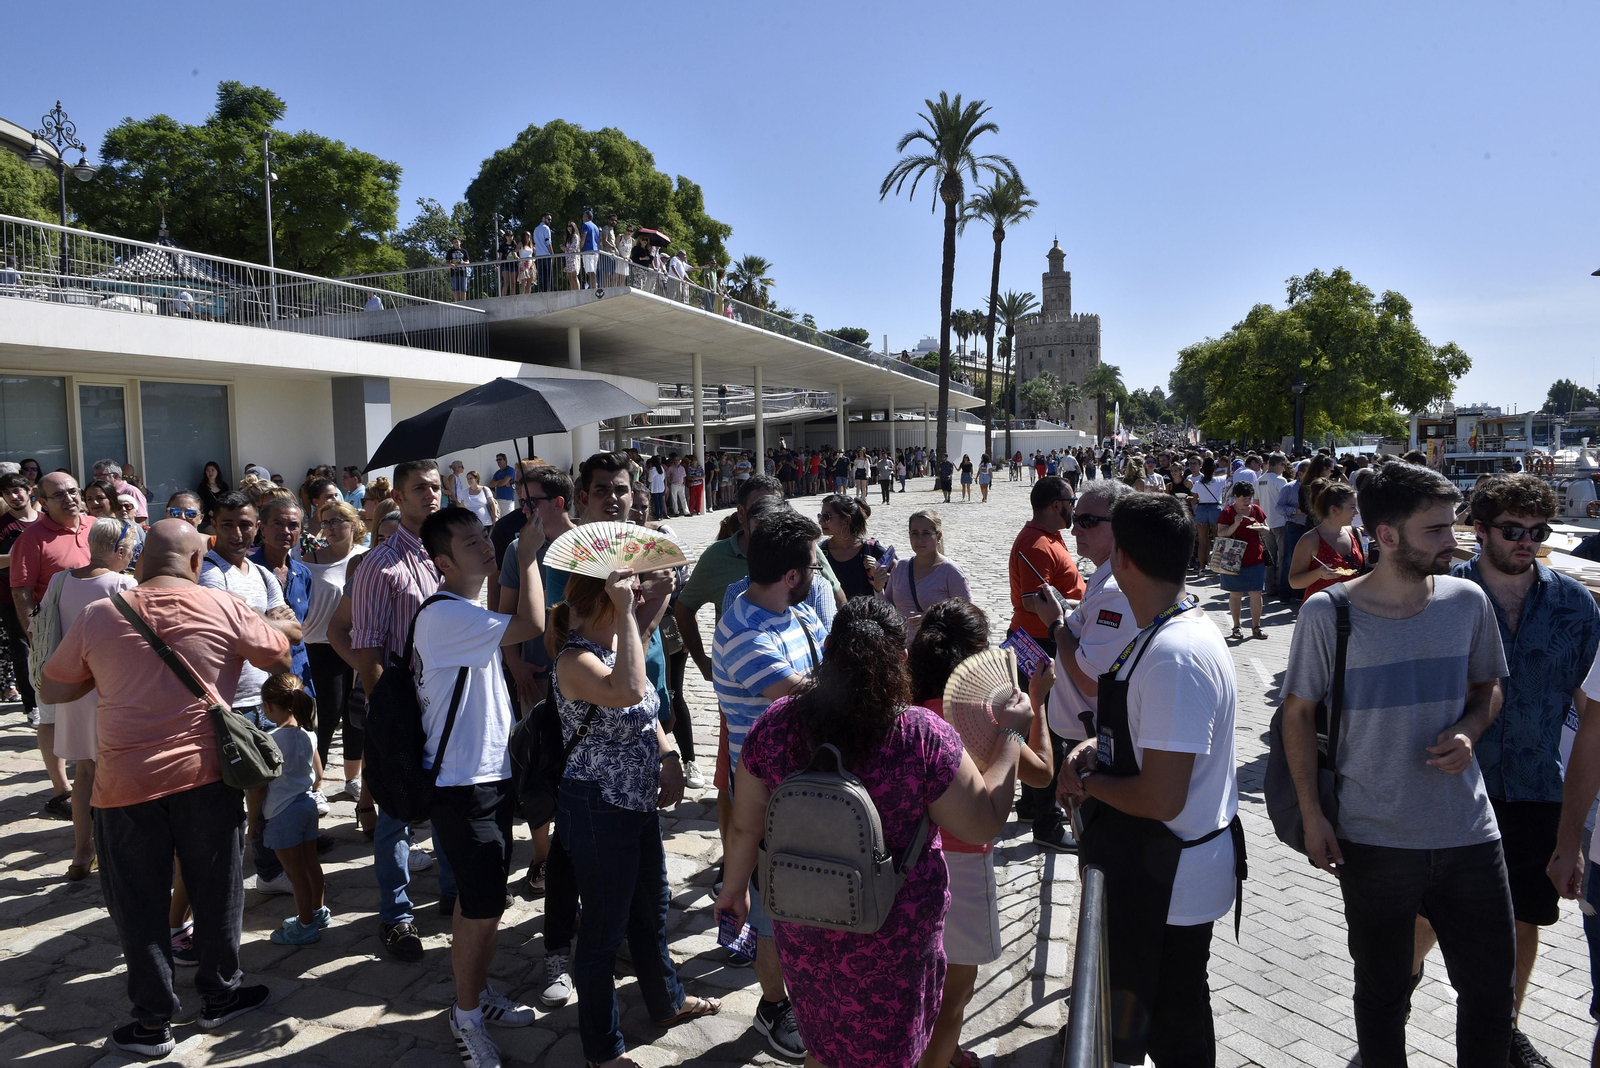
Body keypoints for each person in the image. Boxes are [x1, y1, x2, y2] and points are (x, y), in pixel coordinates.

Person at [715, 596, 1035, 1068]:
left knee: (823, 1048)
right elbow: (984, 821)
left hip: (806, 927)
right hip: (895, 935)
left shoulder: (775, 725)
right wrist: (1012, 736)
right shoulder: (919, 736)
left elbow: (745, 826)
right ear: (901, 659)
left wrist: (735, 889)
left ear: (828, 650)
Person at [1282, 462, 1514, 1067]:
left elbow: (1488, 686)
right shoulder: (1327, 615)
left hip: (1469, 834)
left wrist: (1469, 729)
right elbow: (1298, 716)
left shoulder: (1468, 602)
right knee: (1383, 996)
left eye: (1452, 527)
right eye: (1435, 531)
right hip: (1375, 839)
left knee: (1489, 995)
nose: (1454, 543)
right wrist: (1312, 815)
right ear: (1386, 536)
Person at [40, 520, 289, 1057]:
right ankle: (220, 998)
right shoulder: (221, 607)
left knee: (139, 905)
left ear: (138, 562)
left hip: (124, 784)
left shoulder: (100, 614)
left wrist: (104, 674)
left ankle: (152, 1024)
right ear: (198, 563)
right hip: (206, 777)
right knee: (217, 892)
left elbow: (53, 685)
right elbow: (279, 656)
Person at [1054, 492, 1243, 1066]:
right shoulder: (1164, 627)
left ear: (1124, 557)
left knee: (1176, 1021)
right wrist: (1094, 748)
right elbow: (1151, 734)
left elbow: (1162, 795)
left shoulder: (1173, 656)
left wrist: (1089, 784)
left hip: (1172, 878)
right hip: (1162, 868)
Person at [1437, 475, 1598, 1068]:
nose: (1527, 541)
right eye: (1512, 530)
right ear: (1478, 530)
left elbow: (1591, 714)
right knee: (1433, 914)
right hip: (1454, 785)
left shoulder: (1574, 605)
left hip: (1537, 786)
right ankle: (1391, 1001)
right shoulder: (1443, 596)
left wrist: (1572, 836)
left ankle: (1504, 1029)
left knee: (1522, 915)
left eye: (1538, 531)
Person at [549, 556, 718, 1066]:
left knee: (650, 912)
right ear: (605, 601)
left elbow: (651, 710)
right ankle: (604, 1051)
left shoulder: (614, 643)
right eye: (628, 594)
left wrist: (668, 755)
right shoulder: (575, 659)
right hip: (598, 808)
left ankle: (666, 1002)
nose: (638, 598)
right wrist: (629, 610)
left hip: (635, 802)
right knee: (602, 935)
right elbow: (628, 692)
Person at [414, 505, 545, 1065]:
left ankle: (477, 993)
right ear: (443, 562)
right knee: (485, 903)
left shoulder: (468, 609)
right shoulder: (446, 615)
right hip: (461, 784)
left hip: (488, 775)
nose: (486, 547)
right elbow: (534, 624)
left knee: (481, 898)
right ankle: (466, 1016)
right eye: (471, 543)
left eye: (486, 538)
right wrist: (529, 555)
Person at [913, 599, 1055, 1068]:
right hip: (965, 863)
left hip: (908, 858)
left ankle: (941, 1050)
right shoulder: (986, 716)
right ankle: (940, 1054)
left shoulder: (903, 702)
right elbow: (1042, 774)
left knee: (919, 979)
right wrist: (1038, 702)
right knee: (954, 994)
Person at [710, 509, 830, 1060]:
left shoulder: (796, 612)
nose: (819, 571)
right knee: (770, 915)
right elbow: (809, 697)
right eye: (812, 563)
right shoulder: (743, 632)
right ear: (790, 574)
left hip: (806, 791)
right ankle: (773, 1007)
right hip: (767, 800)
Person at [351, 460, 449, 961]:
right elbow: (366, 648)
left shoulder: (450, 551)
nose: (431, 495)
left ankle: (453, 895)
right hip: (404, 704)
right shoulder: (380, 564)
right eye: (420, 488)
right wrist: (386, 714)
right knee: (395, 811)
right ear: (400, 496)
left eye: (436, 486)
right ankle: (397, 914)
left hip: (453, 702)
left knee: (453, 800)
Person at [199, 493, 308, 893]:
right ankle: (221, 882)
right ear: (214, 524)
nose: (238, 533)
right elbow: (229, 625)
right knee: (231, 801)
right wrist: (265, 622)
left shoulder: (261, 575)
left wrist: (252, 620)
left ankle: (267, 872)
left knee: (270, 794)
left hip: (268, 701)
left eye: (245, 524)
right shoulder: (211, 572)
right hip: (230, 704)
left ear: (256, 526)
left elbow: (296, 632)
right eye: (228, 524)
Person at [50, 517, 138, 879]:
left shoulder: (60, 579)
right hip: (110, 687)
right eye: (132, 550)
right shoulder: (122, 583)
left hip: (73, 684)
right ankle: (120, 850)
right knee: (118, 770)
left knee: (85, 771)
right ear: (119, 551)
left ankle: (81, 851)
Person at [1007, 475, 1087, 851]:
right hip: (1039, 644)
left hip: (1041, 641)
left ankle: (1030, 805)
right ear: (1057, 505)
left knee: (1037, 726)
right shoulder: (1037, 543)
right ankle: (1047, 824)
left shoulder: (1049, 538)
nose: (1075, 507)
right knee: (1047, 731)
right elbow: (1030, 602)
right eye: (1072, 501)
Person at [10, 471, 92, 812]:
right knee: (51, 715)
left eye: (73, 491)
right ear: (41, 502)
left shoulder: (95, 526)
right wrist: (36, 635)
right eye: (59, 495)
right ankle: (62, 789)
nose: (69, 498)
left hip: (101, 641)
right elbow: (21, 592)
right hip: (56, 641)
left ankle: (94, 777)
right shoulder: (32, 539)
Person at [251, 673, 328, 946]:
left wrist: (252, 821)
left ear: (270, 707)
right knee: (310, 865)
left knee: (295, 874)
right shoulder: (309, 734)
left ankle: (305, 925)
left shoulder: (269, 740)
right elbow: (319, 774)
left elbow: (259, 788)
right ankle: (318, 912)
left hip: (282, 814)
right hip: (307, 806)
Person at [298, 500, 364, 799]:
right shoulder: (307, 560)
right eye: (325, 522)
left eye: (338, 521)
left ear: (354, 523)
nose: (331, 528)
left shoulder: (365, 557)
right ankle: (317, 783)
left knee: (357, 714)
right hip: (320, 646)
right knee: (326, 716)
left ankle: (353, 778)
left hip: (360, 643)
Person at [872, 507, 970, 644]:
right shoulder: (900, 567)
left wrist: (933, 618)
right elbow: (888, 611)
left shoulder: (950, 572)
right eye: (914, 533)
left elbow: (967, 615)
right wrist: (878, 588)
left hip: (938, 650)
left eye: (926, 533)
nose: (920, 539)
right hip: (903, 650)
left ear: (938, 536)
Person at [0, 471, 41, 721]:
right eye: (7, 493)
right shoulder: (3, 526)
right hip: (10, 597)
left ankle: (53, 699)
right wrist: (20, 554)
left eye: (18, 490)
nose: (14, 496)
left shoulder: (47, 521)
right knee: (23, 650)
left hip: (47, 593)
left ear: (29, 490)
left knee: (51, 646)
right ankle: (31, 705)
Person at [1288, 478, 1364, 602]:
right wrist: (1318, 574)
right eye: (1352, 507)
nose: (1356, 512)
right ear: (1334, 509)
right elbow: (1294, 582)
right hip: (1320, 611)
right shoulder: (1310, 540)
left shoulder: (1354, 533)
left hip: (1353, 609)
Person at [1216, 481, 1268, 640]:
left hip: (1255, 556)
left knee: (1256, 592)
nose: (1247, 501)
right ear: (1236, 496)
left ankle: (1256, 627)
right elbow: (1221, 533)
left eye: (1249, 498)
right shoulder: (1228, 512)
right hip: (1233, 558)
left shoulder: (1256, 510)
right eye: (1244, 498)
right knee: (1236, 593)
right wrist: (1236, 523)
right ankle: (1236, 626)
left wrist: (1260, 528)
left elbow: (1267, 529)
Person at [817, 494, 888, 602]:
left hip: (866, 616)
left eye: (826, 517)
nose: (821, 521)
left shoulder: (870, 549)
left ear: (846, 520)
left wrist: (878, 573)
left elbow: (901, 575)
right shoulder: (821, 552)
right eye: (820, 516)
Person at [1259, 453, 1290, 598]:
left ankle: (1269, 587)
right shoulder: (1280, 481)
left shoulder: (1259, 480)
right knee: (1282, 557)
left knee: (1269, 557)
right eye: (1284, 465)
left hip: (1266, 523)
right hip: (1281, 522)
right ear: (1278, 464)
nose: (1284, 469)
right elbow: (1286, 502)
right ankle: (1282, 587)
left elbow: (1257, 503)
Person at [1189, 457, 1227, 571]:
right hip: (1215, 508)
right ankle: (1217, 565)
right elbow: (1229, 474)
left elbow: (1194, 501)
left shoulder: (1198, 483)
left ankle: (1201, 567)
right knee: (1217, 539)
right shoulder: (1220, 480)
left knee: (1202, 541)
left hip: (1201, 509)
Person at [198, 461, 229, 528]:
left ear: (217, 471)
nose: (210, 473)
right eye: (208, 470)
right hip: (208, 519)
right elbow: (202, 504)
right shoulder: (202, 486)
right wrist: (213, 514)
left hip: (223, 516)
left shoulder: (224, 486)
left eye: (213, 470)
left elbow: (228, 501)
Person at [489, 455, 517, 519]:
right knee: (499, 520)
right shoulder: (497, 473)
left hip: (507, 501)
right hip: (498, 500)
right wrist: (502, 482)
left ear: (505, 460)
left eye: (500, 459)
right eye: (497, 460)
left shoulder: (510, 470)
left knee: (508, 520)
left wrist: (499, 483)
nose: (498, 461)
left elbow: (504, 482)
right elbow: (491, 484)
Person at [533, 212, 554, 292]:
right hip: (546, 255)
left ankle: (543, 291)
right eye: (548, 219)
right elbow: (548, 242)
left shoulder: (536, 229)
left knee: (542, 276)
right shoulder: (546, 228)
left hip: (539, 256)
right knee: (548, 276)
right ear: (543, 218)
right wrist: (552, 254)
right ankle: (550, 292)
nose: (550, 221)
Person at [580, 209, 601, 289]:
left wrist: (580, 249)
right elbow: (598, 240)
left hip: (588, 251)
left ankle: (593, 289)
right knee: (593, 271)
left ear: (586, 217)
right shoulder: (595, 226)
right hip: (595, 252)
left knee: (590, 271)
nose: (582, 218)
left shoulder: (586, 225)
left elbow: (583, 238)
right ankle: (593, 287)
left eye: (583, 217)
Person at [445, 237, 469, 301]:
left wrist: (464, 263)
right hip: (454, 273)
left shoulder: (464, 251)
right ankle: (457, 302)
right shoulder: (450, 252)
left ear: (460, 242)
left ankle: (464, 302)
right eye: (454, 242)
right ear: (453, 243)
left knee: (463, 289)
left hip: (463, 272)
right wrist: (450, 264)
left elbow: (468, 261)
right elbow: (447, 262)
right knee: (455, 289)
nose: (456, 243)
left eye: (457, 242)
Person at [563, 221, 581, 291]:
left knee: (574, 276)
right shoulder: (568, 237)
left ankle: (577, 291)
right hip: (567, 259)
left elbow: (574, 247)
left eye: (570, 226)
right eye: (568, 226)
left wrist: (566, 249)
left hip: (573, 258)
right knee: (570, 277)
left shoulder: (575, 236)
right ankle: (573, 291)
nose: (569, 227)